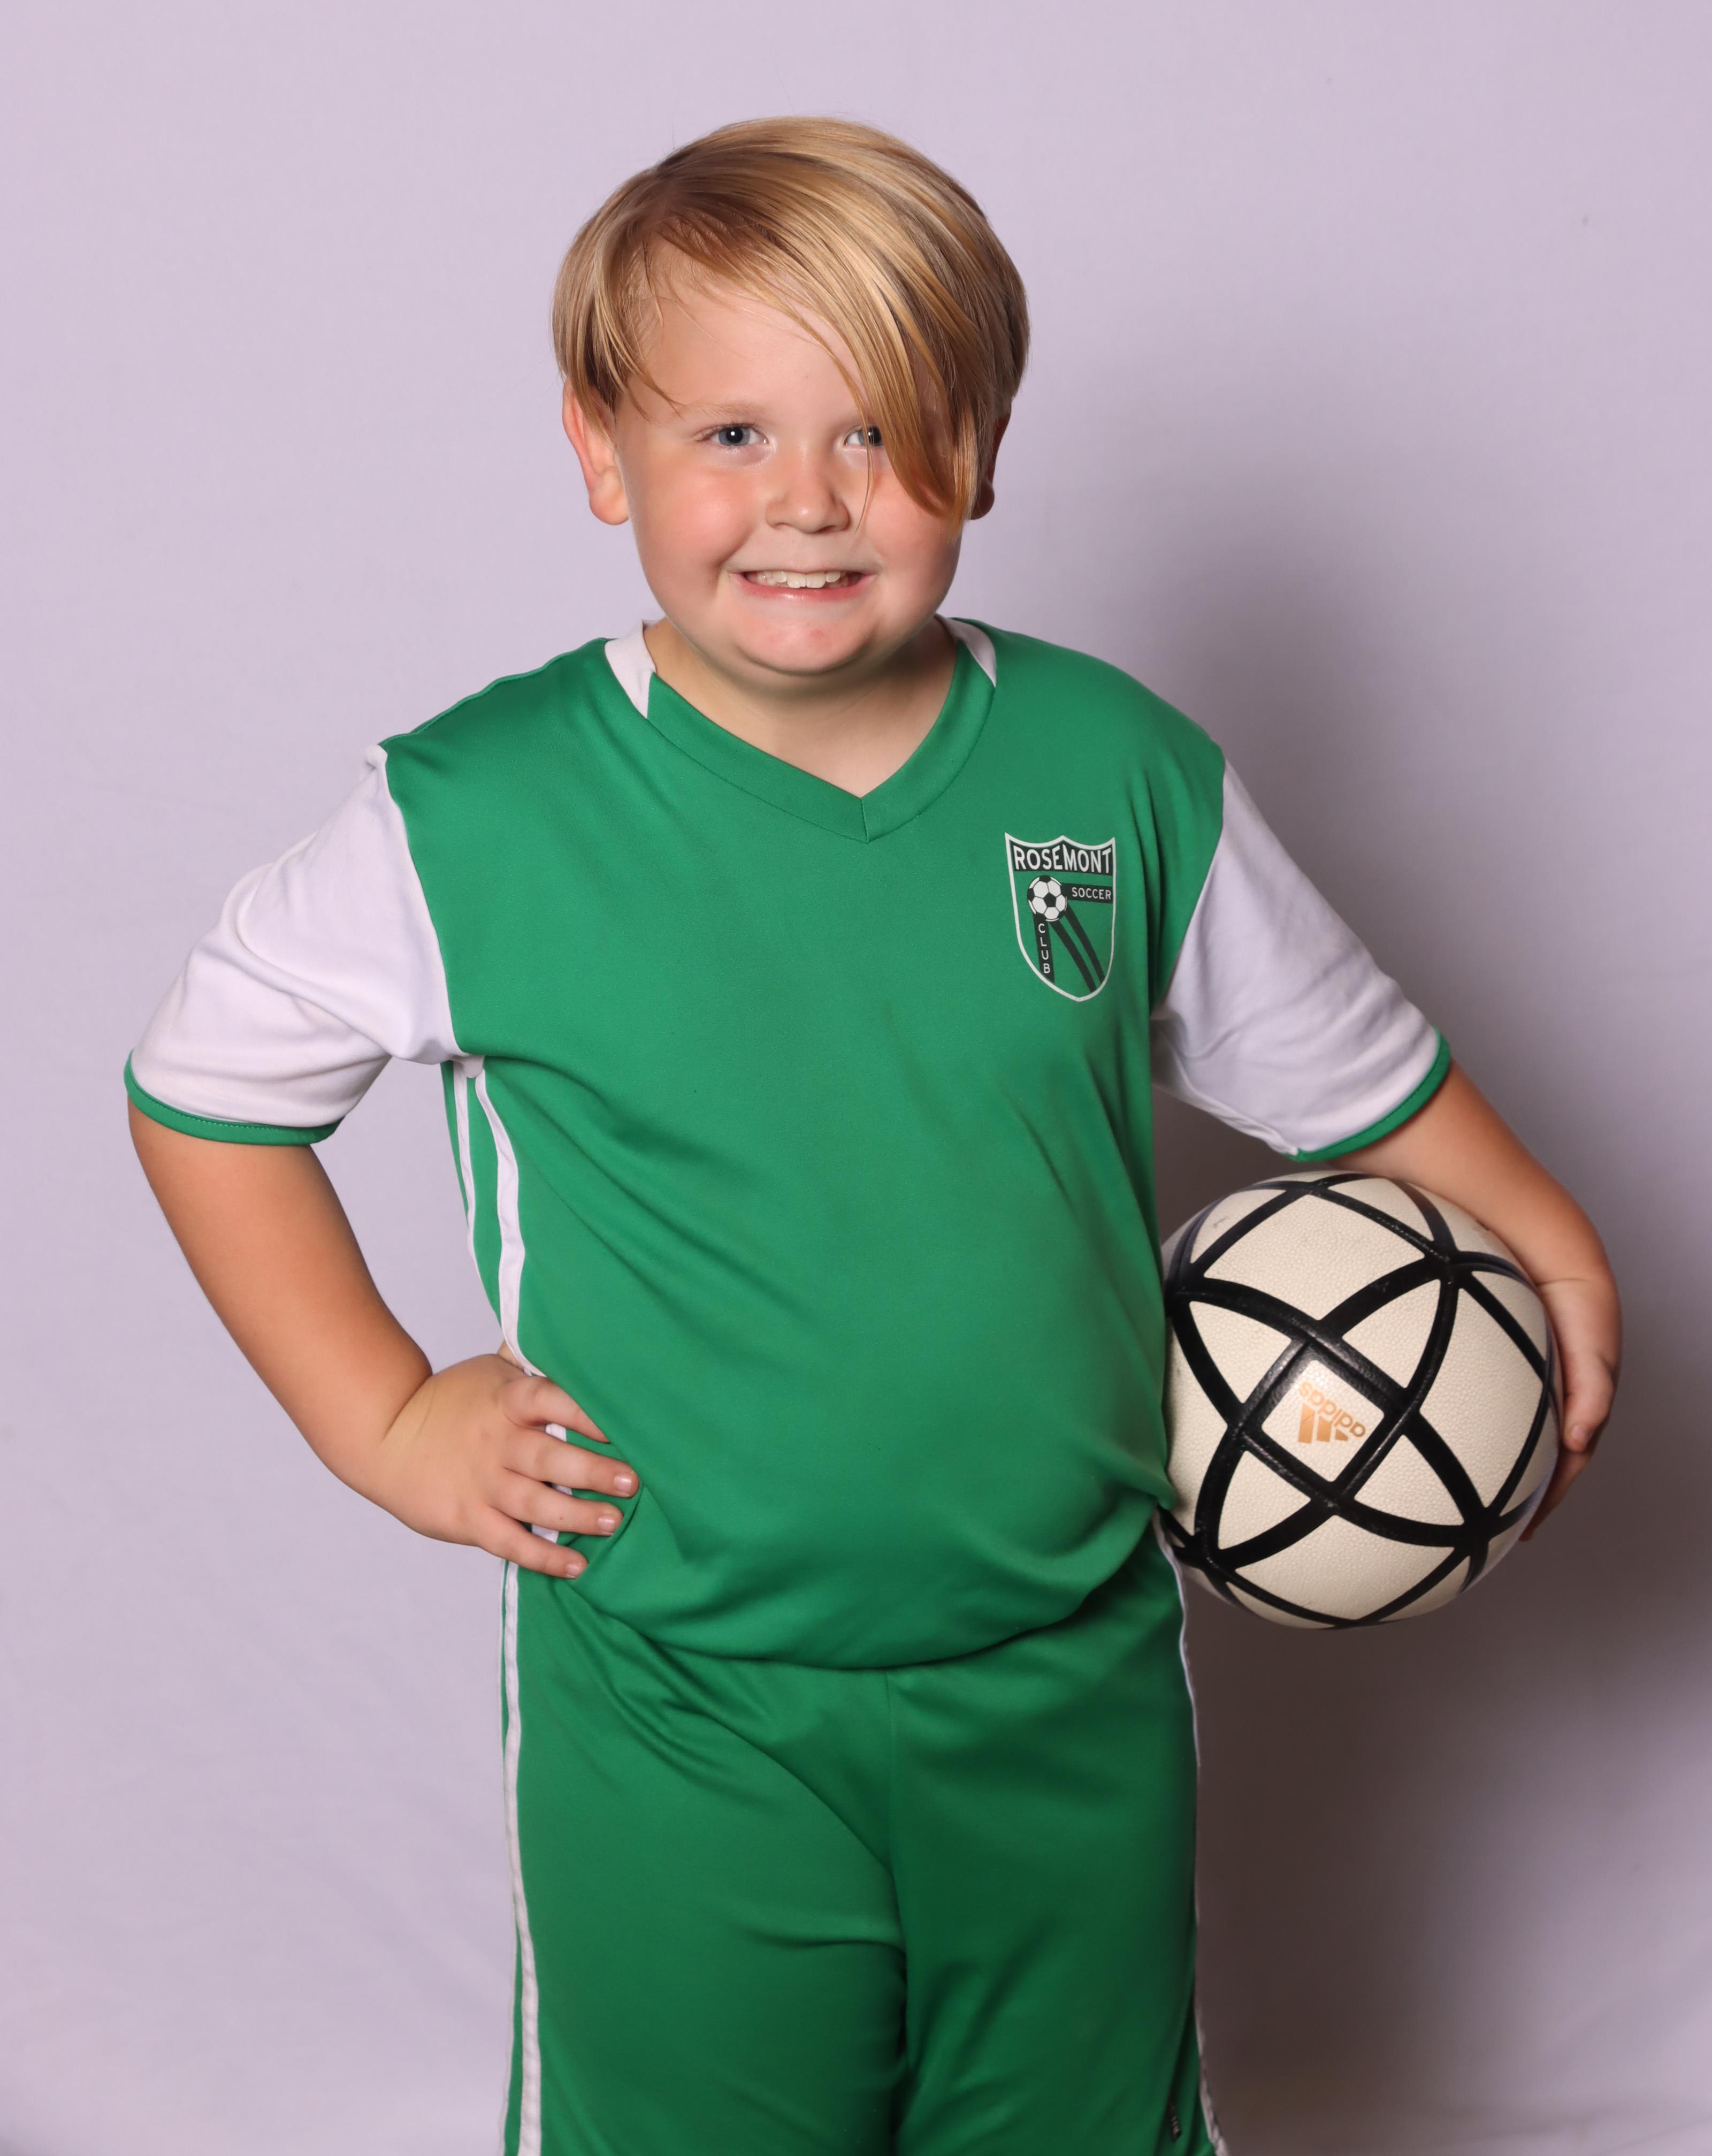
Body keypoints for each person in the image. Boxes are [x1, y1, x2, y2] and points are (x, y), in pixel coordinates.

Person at [126, 117, 1621, 2156]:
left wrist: (1553, 1248)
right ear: (600, 450)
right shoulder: (479, 812)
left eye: (882, 436)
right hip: (685, 1710)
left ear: (980, 451)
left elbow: (1361, 1081)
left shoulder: (1112, 770)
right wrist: (387, 1417)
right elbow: (205, 1096)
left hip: (1070, 1687)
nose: (810, 503)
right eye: (730, 435)